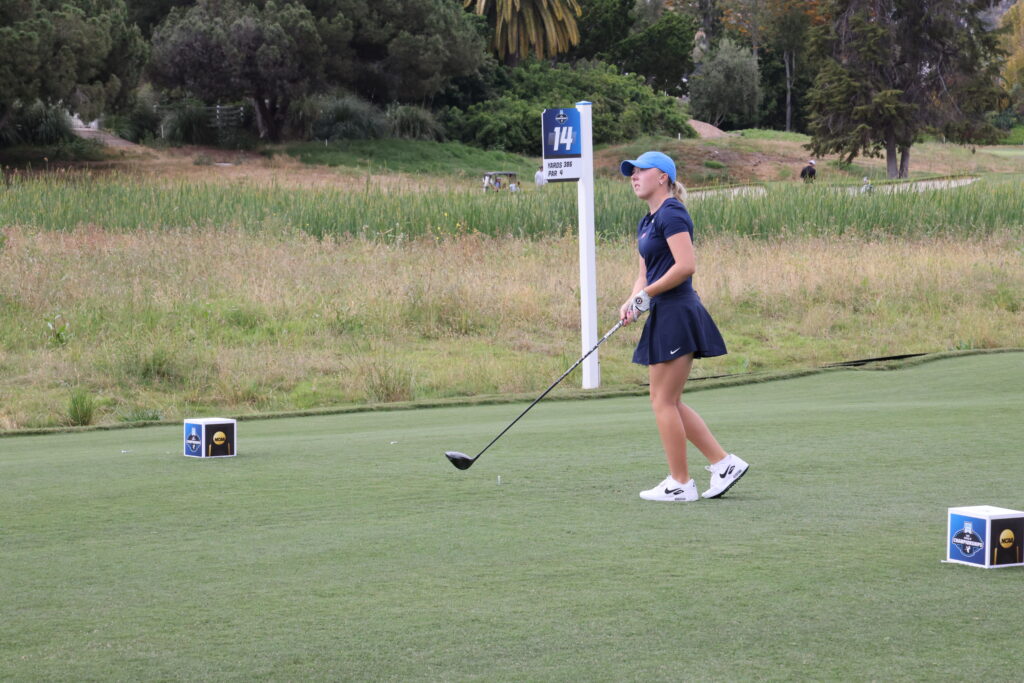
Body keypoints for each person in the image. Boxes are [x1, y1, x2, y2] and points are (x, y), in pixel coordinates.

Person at [618, 151, 749, 502]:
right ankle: (724, 464)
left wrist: (646, 293)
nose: (634, 176)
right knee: (668, 400)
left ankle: (681, 482)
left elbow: (686, 265)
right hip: (663, 311)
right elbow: (645, 273)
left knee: (662, 400)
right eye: (631, 172)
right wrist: (634, 300)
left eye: (641, 171)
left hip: (677, 311)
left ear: (663, 177)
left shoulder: (672, 211)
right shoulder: (647, 222)